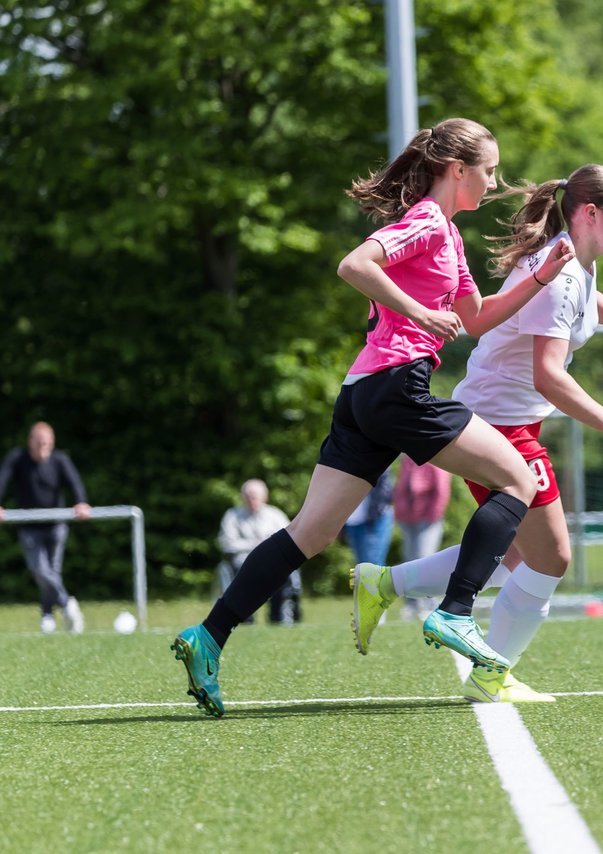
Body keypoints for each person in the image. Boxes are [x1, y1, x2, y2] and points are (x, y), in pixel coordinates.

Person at [171, 117, 576, 717]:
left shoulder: (450, 238)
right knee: (517, 478)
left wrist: (540, 277)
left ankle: (208, 636)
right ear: (457, 170)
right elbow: (354, 265)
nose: (493, 184)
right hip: (395, 386)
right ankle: (456, 612)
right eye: (488, 170)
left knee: (309, 532)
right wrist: (419, 313)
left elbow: (478, 316)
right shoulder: (428, 221)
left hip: (362, 390)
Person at [350, 164, 603, 703]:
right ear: (590, 213)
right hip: (499, 424)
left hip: (507, 417)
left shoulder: (572, 258)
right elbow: (548, 376)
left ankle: (384, 584)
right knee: (551, 557)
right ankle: (491, 675)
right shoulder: (558, 272)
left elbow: (588, 300)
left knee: (511, 557)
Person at [0, 422, 92, 634]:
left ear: (52, 443)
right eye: (39, 442)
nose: (43, 446)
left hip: (56, 526)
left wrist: (81, 502)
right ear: (30, 442)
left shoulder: (60, 459)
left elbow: (74, 482)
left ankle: (47, 616)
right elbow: (2, 479)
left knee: (53, 572)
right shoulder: (17, 458)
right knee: (39, 570)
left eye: (47, 443)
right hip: (29, 527)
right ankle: (67, 605)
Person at [217, 479, 300, 625]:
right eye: (248, 495)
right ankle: (243, 616)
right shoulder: (233, 516)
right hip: (242, 560)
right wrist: (254, 545)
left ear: (264, 497)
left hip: (273, 560)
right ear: (243, 497)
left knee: (285, 570)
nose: (251, 499)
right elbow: (227, 543)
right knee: (242, 566)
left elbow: (290, 540)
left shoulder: (275, 515)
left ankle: (279, 615)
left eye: (255, 495)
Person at [393, 456, 451, 619]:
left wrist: (433, 515)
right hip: (408, 518)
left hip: (428, 518)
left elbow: (442, 490)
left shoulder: (436, 461)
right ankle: (411, 604)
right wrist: (399, 513)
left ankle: (428, 603)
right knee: (409, 562)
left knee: (425, 560)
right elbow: (399, 490)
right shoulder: (406, 462)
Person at [342, 468, 395, 567]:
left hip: (374, 519)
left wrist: (377, 510)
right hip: (352, 520)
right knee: (361, 567)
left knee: (373, 566)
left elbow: (384, 488)